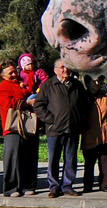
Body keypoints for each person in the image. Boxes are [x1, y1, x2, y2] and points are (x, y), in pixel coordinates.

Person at [32, 60, 90, 198]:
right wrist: (51, 120)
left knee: (70, 159)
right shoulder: (48, 85)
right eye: (62, 67)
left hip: (72, 128)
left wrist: (79, 121)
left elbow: (84, 105)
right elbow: (39, 106)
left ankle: (67, 186)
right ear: (55, 70)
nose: (65, 70)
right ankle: (54, 187)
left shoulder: (77, 85)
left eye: (67, 67)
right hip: (54, 129)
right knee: (54, 159)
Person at [0, 62, 38, 197]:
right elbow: (7, 105)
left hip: (27, 125)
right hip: (12, 126)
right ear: (2, 76)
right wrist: (26, 103)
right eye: (10, 73)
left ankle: (28, 185)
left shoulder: (21, 84)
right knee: (13, 158)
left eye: (15, 71)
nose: (14, 74)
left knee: (29, 155)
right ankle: (11, 188)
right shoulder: (2, 87)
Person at [81, 77, 107, 191]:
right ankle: (87, 185)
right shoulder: (83, 97)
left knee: (106, 160)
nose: (97, 83)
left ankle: (104, 184)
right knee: (89, 161)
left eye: (99, 81)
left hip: (106, 131)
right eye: (94, 81)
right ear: (88, 83)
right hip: (89, 132)